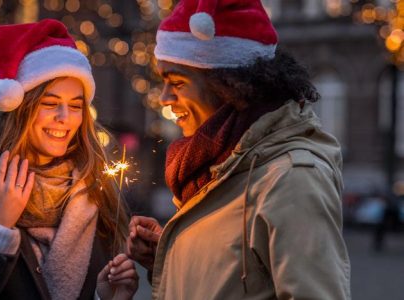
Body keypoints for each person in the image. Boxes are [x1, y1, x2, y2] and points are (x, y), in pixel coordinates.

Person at [127, 0, 351, 299]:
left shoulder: (291, 179)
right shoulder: (218, 164)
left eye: (176, 81)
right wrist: (171, 258)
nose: (164, 97)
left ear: (227, 84)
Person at [0, 20, 138, 300]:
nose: (64, 117)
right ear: (19, 107)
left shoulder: (97, 197)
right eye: (49, 102)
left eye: (75, 105)